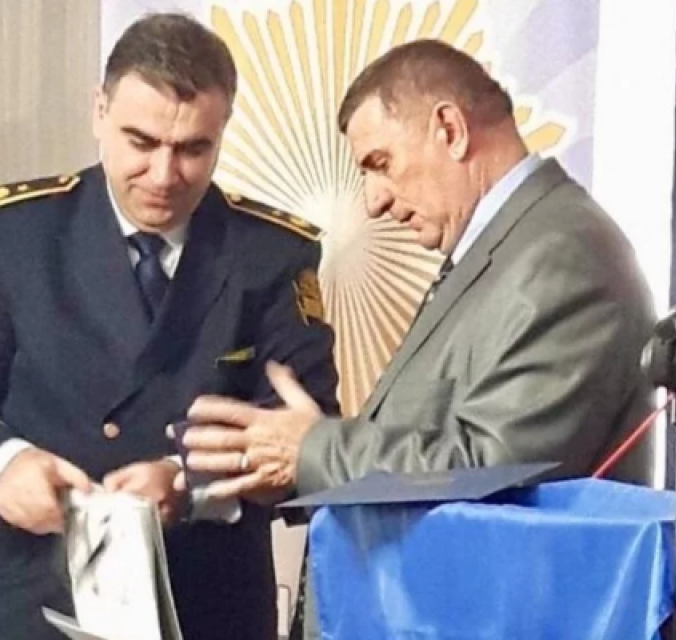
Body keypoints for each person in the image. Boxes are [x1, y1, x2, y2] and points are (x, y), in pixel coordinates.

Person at [0, 12, 339, 640]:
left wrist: (188, 484)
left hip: (203, 603)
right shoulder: (17, 232)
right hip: (21, 601)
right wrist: (2, 464)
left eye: (193, 149)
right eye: (141, 142)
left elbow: (305, 432)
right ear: (99, 111)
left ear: (223, 131)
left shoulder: (271, 255)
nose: (163, 175)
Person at [180, 38, 655, 503]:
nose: (373, 202)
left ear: (450, 129)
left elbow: (494, 471)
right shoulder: (510, 249)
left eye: (380, 163)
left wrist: (312, 450)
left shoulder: (560, 258)